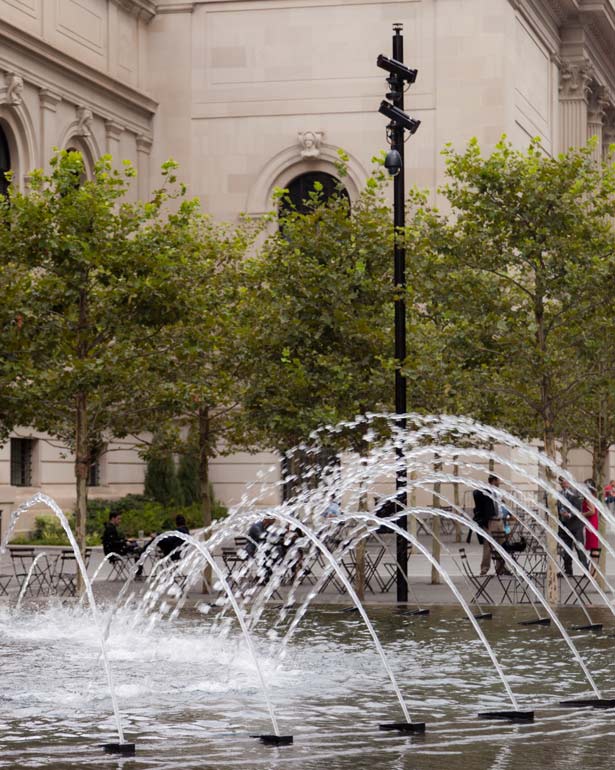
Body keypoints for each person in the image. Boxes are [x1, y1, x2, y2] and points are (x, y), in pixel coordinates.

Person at [474, 475, 509, 576]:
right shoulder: (485, 492)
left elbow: (501, 505)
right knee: (488, 546)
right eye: (498, 480)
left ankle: (501, 568)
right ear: (494, 481)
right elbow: (476, 495)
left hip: (500, 521)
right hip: (491, 522)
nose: (500, 482)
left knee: (502, 546)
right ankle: (484, 569)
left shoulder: (499, 493)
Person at [557, 476, 588, 576]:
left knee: (579, 549)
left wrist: (569, 514)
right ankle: (568, 570)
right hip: (564, 526)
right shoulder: (559, 494)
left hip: (575, 526)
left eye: (565, 482)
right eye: (561, 483)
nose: (563, 484)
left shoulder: (575, 493)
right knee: (566, 549)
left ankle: (586, 571)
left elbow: (578, 509)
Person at [102, 512, 144, 576]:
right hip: (114, 551)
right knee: (139, 550)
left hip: (114, 550)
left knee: (136, 546)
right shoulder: (110, 528)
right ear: (113, 518)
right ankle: (138, 572)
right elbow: (113, 542)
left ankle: (138, 571)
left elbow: (116, 539)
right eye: (118, 519)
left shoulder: (110, 527)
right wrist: (125, 542)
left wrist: (126, 540)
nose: (120, 521)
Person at [582, 479, 600, 576]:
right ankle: (593, 569)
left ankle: (594, 571)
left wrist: (582, 514)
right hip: (593, 522)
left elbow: (592, 511)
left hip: (591, 523)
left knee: (594, 547)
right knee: (594, 547)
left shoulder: (588, 498)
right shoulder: (593, 497)